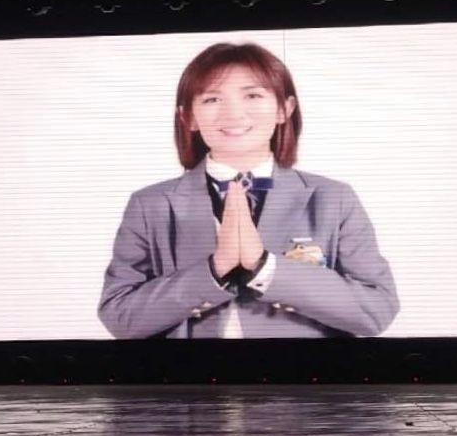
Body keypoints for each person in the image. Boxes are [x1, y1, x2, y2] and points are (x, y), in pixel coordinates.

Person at [99, 42, 399, 339]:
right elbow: (119, 315)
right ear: (188, 116)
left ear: (284, 108)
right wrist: (213, 270)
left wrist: (266, 268)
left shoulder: (333, 198)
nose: (233, 115)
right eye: (212, 99)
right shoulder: (149, 204)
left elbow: (377, 309)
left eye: (252, 95)